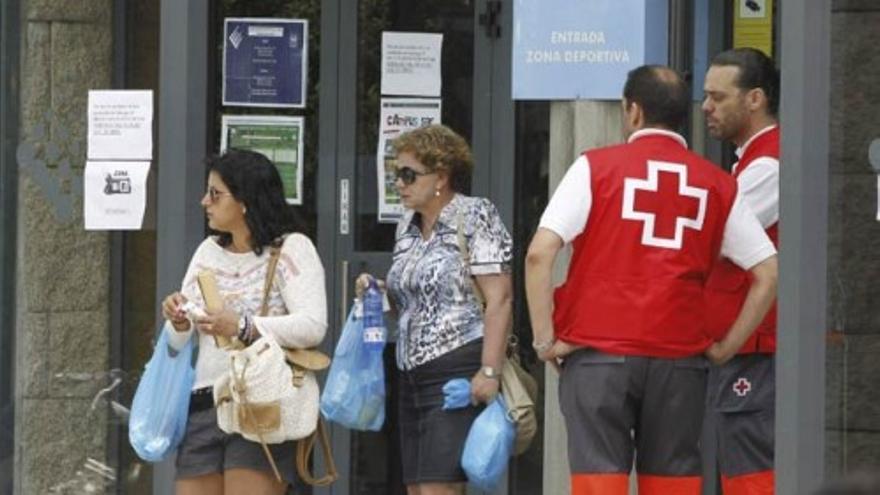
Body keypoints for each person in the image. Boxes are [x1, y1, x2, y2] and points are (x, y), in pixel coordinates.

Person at [524, 65, 778, 495]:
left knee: (598, 479)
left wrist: (545, 340)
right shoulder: (717, 184)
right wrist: (726, 347)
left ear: (633, 111)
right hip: (680, 360)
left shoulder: (594, 168)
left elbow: (538, 255)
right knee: (673, 481)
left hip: (597, 353)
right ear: (684, 115)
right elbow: (767, 271)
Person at [356, 124, 513, 495]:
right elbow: (412, 297)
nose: (399, 183)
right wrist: (376, 291)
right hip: (411, 373)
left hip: (456, 367)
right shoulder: (405, 228)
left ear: (441, 175)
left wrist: (489, 370)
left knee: (439, 489)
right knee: (417, 487)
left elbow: (500, 298)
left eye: (409, 174)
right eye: (396, 174)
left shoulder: (475, 215)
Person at [160, 150, 327, 495]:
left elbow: (313, 325)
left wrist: (242, 326)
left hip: (260, 401)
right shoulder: (208, 251)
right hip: (205, 403)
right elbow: (184, 338)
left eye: (216, 194)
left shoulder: (291, 249)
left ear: (246, 200)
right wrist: (178, 322)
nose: (204, 201)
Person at [702, 47, 781, 495]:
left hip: (755, 347)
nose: (706, 108)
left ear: (754, 99)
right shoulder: (755, 160)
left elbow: (710, 242)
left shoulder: (768, 165)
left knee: (750, 473)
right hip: (751, 343)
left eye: (717, 97)